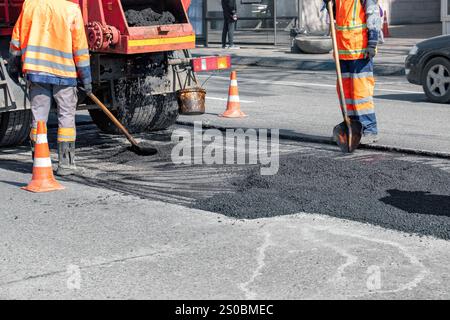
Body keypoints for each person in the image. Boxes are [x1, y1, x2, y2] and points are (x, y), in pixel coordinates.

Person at [8, 0, 92, 176]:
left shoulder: (30, 5)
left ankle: (39, 160)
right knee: (66, 117)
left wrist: (14, 66)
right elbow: (80, 48)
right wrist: (86, 79)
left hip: (37, 71)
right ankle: (66, 164)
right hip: (64, 73)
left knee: (39, 118)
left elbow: (17, 38)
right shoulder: (71, 10)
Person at [325, 0, 381, 143]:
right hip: (342, 53)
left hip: (360, 52)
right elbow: (335, 17)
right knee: (346, 94)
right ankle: (352, 127)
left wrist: (372, 42)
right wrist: (328, 4)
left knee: (361, 93)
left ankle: (369, 129)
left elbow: (374, 16)